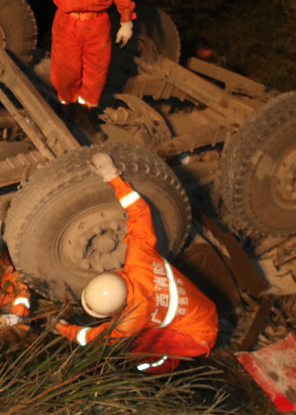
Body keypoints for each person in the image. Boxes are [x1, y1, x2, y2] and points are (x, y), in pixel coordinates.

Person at [56, 152, 218, 374]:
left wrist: (66, 330)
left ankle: (152, 373)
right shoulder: (139, 258)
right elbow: (139, 211)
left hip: (199, 336)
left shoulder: (133, 320)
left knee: (141, 349)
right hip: (201, 308)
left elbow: (97, 339)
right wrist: (112, 176)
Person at [21, 0, 136, 136]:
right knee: (65, 70)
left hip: (97, 24)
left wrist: (126, 22)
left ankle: (86, 114)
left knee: (96, 72)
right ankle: (67, 107)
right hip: (66, 23)